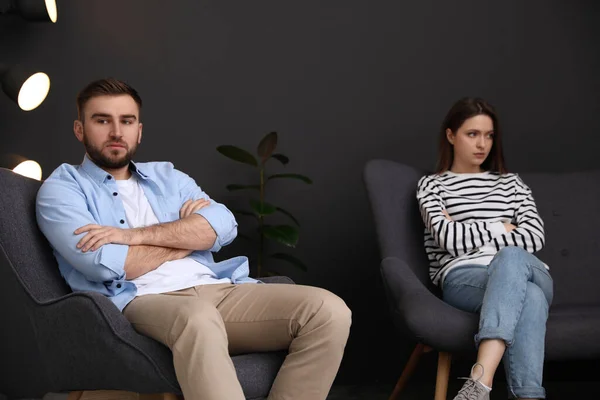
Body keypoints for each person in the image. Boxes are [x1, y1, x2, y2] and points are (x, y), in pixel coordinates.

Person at [36, 78, 351, 400]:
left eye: (126, 121)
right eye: (102, 120)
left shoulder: (168, 176)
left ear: (139, 131)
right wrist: (188, 236)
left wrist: (132, 236)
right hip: (142, 300)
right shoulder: (62, 189)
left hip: (219, 289)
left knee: (328, 310)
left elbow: (223, 226)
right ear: (79, 129)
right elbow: (104, 266)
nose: (116, 131)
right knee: (198, 318)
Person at [416, 97, 553, 400]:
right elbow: (447, 240)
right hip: (465, 279)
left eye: (489, 135)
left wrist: (467, 230)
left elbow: (535, 237)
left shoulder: (511, 183)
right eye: (472, 134)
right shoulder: (432, 186)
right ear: (451, 135)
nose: (482, 144)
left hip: (529, 270)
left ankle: (480, 381)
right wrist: (500, 227)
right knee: (527, 296)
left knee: (513, 256)